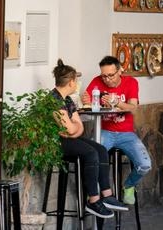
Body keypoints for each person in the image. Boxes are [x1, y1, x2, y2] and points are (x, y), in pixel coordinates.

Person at [51, 60, 127, 220]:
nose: (77, 84)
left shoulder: (67, 100)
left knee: (100, 149)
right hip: (57, 142)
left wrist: (73, 128)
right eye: (76, 80)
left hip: (69, 139)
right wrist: (73, 128)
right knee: (91, 153)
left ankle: (106, 195)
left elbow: (77, 128)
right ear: (71, 82)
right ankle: (93, 200)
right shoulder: (54, 100)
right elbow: (71, 129)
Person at [80, 55, 151, 205]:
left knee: (145, 165)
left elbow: (134, 108)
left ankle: (129, 185)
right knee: (92, 158)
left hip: (126, 133)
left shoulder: (131, 82)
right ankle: (96, 193)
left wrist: (117, 102)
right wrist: (84, 100)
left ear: (120, 71)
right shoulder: (96, 81)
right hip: (104, 131)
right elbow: (86, 104)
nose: (107, 79)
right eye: (104, 76)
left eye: (110, 75)